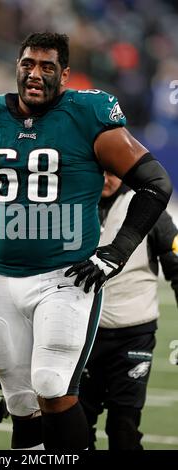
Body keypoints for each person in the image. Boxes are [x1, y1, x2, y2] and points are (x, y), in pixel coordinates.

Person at [0, 32, 172, 450]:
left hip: (66, 277)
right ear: (17, 66)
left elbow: (154, 184)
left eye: (47, 67)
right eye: (28, 64)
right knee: (20, 400)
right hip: (3, 280)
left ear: (65, 74)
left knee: (52, 385)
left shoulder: (88, 114)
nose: (35, 74)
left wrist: (116, 252)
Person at [79, 171, 178, 450]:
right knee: (76, 426)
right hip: (82, 334)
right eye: (100, 171)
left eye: (113, 172)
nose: (106, 179)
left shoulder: (148, 206)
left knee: (124, 426)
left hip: (134, 333)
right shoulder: (73, 205)